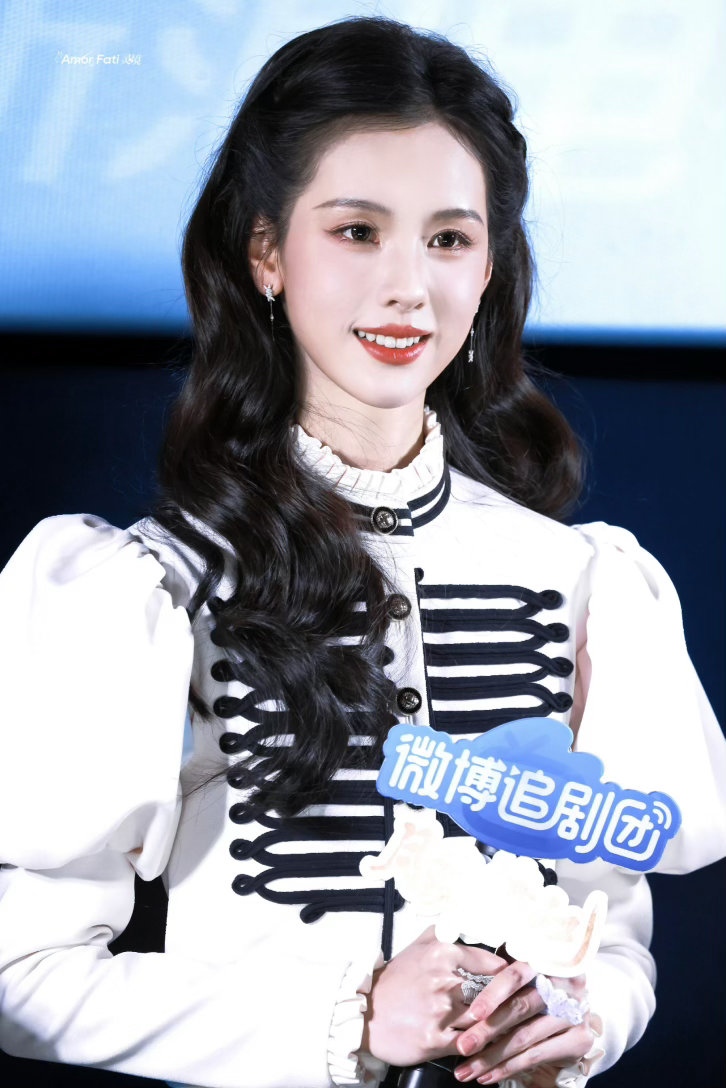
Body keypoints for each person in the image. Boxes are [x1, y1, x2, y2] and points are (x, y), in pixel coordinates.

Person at [0, 15, 724, 1088]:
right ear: (265, 253)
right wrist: (349, 1020)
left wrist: (587, 1011)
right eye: (355, 231)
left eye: (449, 239)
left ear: (490, 267)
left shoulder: (581, 578)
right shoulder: (146, 588)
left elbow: (611, 935)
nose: (408, 287)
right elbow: (23, 973)